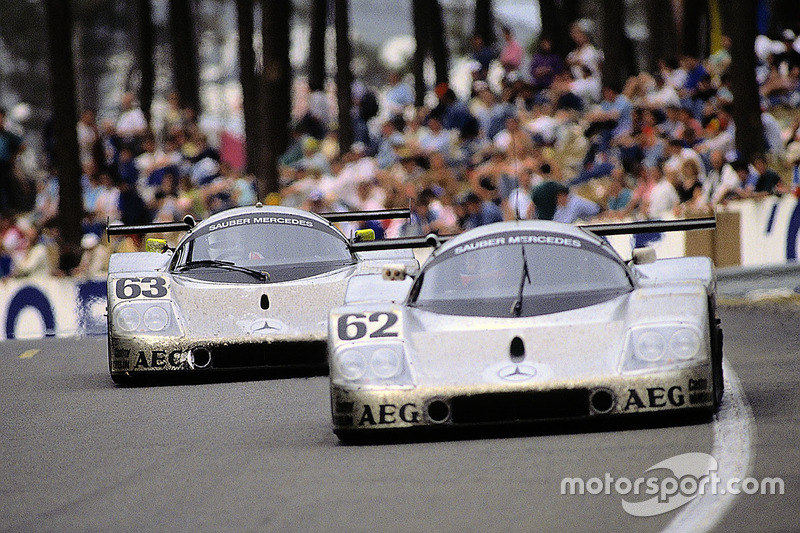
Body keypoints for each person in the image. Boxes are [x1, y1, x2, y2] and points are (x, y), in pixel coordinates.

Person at [0, 107, 24, 212]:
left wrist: (13, 157)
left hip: (5, 166)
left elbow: (22, 146)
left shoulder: (8, 135)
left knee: (7, 190)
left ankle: (9, 211)